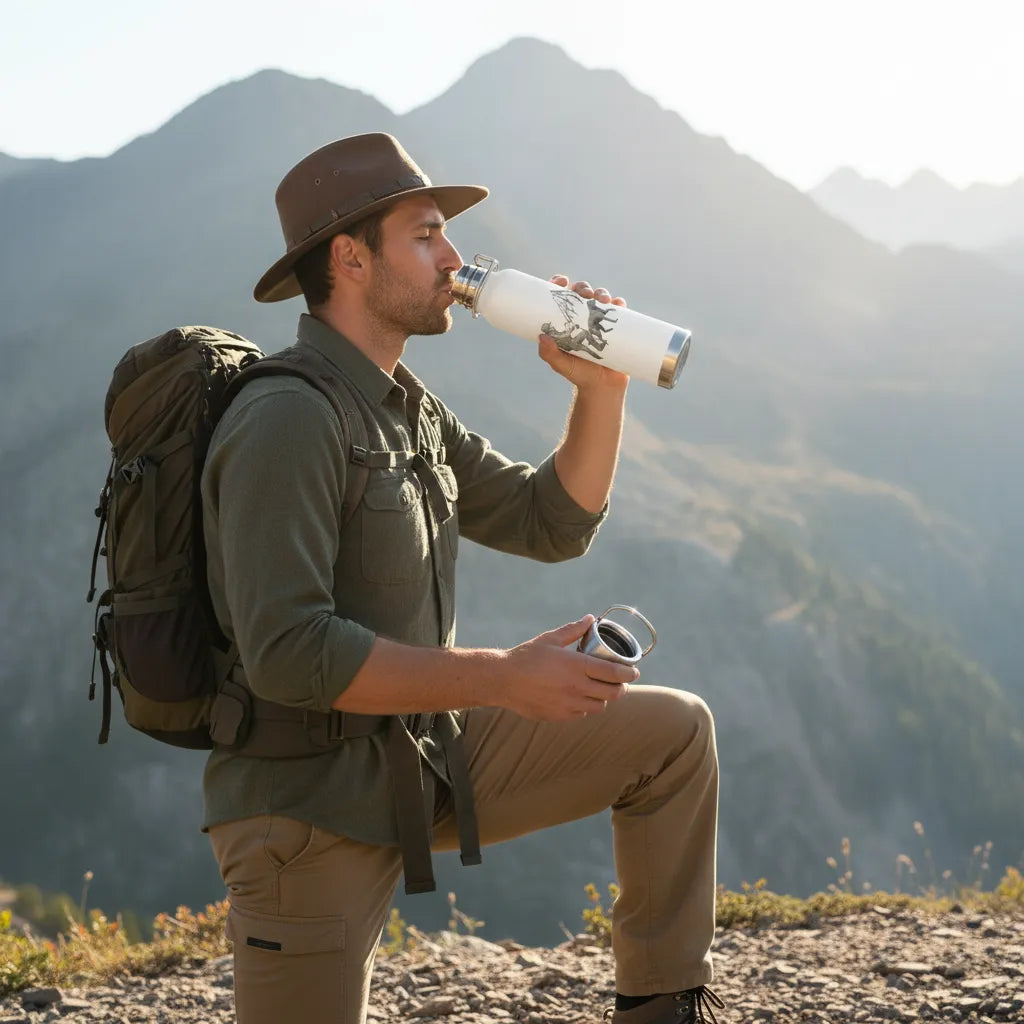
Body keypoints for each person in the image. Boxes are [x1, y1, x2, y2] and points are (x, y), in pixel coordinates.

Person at [201, 132, 722, 1024]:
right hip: (307, 806)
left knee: (673, 735)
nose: (454, 257)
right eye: (427, 235)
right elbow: (288, 652)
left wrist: (600, 390)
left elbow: (549, 521)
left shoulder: (409, 409)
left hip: (422, 756)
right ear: (351, 259)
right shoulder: (286, 417)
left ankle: (661, 1012)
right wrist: (506, 677)